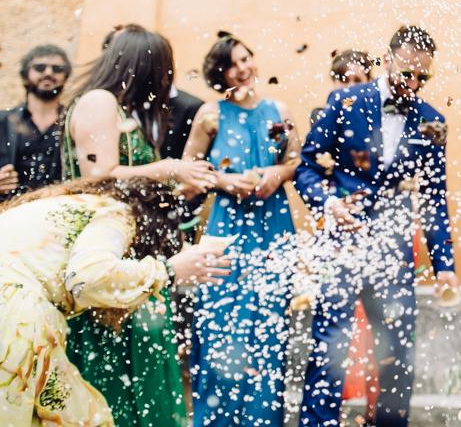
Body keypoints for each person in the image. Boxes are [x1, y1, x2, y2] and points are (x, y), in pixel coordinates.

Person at [295, 26, 458, 427]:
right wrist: (330, 204)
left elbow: (434, 198)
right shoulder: (345, 101)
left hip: (393, 253)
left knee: (397, 356)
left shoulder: (432, 122)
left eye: (423, 76)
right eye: (407, 73)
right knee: (329, 349)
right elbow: (306, 167)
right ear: (387, 60)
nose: (414, 83)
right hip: (342, 244)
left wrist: (445, 265)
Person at [60, 24, 217, 427]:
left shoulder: (121, 110)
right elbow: (99, 177)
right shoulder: (99, 101)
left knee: (141, 368)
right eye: (161, 71)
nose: (164, 83)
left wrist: (179, 185)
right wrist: (167, 168)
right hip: (101, 254)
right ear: (140, 67)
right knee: (113, 374)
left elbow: (130, 183)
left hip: (131, 259)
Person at [0, 176, 231, 426]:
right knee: (82, 419)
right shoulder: (117, 215)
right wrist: (167, 271)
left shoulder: (74, 203)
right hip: (13, 312)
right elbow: (87, 278)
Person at [183, 33, 299, 427]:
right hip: (227, 229)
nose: (243, 68)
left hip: (273, 226)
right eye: (232, 64)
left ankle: (262, 420)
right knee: (221, 324)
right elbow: (188, 173)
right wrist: (223, 181)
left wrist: (276, 174)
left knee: (269, 327)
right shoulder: (210, 116)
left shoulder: (278, 111)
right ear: (220, 74)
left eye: (246, 58)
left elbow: (295, 161)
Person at [0, 44, 71, 201]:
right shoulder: (2, 122)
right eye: (40, 68)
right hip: (9, 210)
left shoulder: (73, 122)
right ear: (25, 76)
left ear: (65, 77)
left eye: (57, 69)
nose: (48, 73)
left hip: (61, 209)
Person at [311, 49, 374, 125]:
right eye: (344, 80)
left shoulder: (378, 113)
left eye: (357, 80)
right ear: (334, 81)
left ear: (369, 82)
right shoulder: (321, 115)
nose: (351, 86)